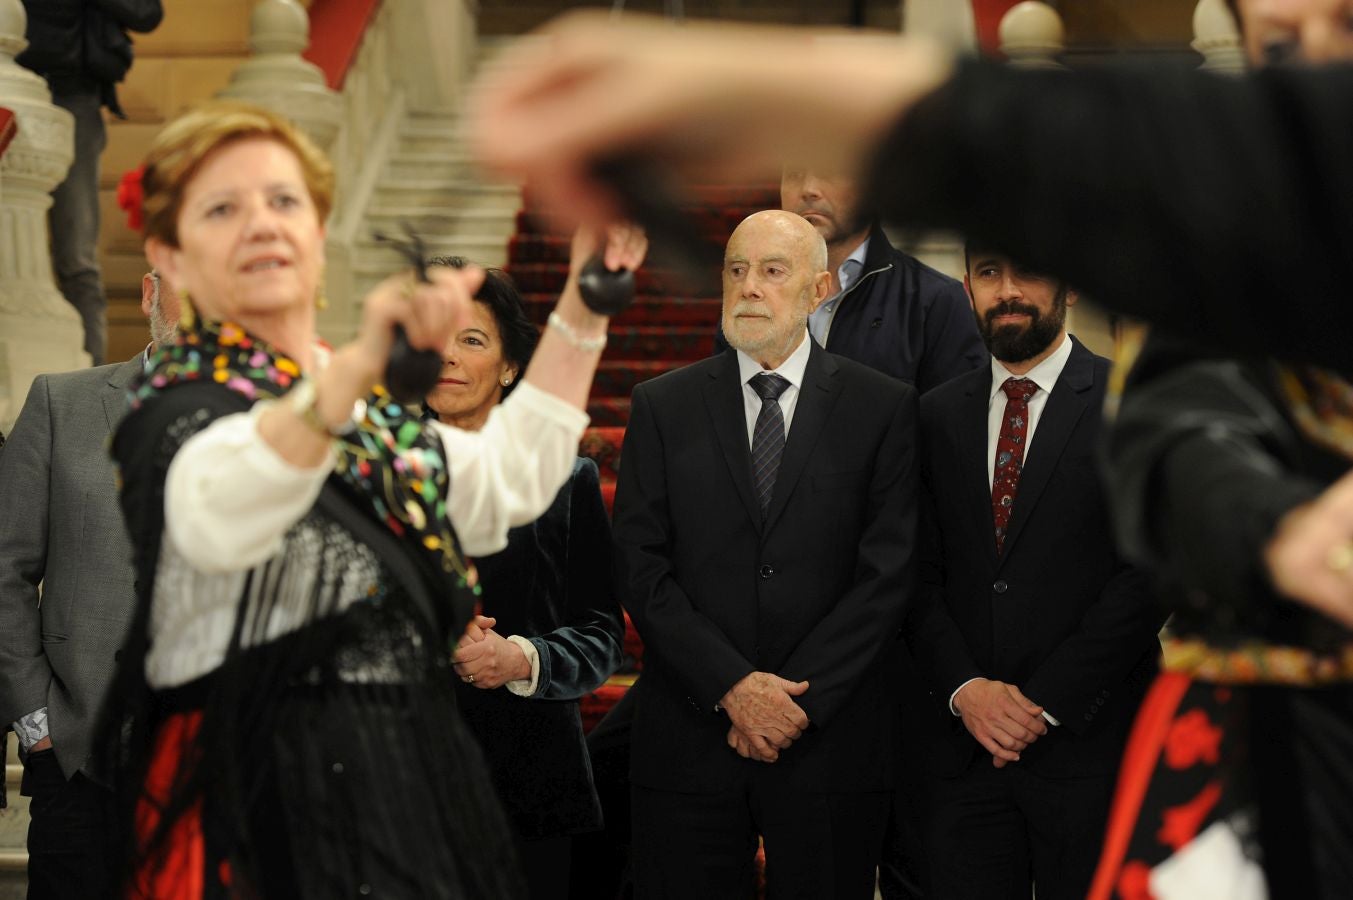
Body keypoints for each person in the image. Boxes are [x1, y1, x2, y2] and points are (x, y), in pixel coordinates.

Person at [97, 99, 641, 899]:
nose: (261, 224)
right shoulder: (179, 401)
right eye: (222, 207)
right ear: (170, 257)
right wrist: (352, 373)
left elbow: (508, 481)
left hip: (403, 789)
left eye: (283, 201)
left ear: (318, 236)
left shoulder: (364, 401)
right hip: (253, 799)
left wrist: (582, 307)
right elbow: (226, 507)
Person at [1086, 2, 1353, 897]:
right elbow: (1172, 438)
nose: (1316, 66)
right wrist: (1280, 531)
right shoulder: (1220, 233)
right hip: (1283, 739)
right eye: (1279, 44)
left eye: (1349, 26)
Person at [611, 209, 917, 899]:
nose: (748, 287)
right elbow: (640, 564)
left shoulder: (882, 407)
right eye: (736, 270)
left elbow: (887, 575)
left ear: (817, 291)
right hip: (690, 740)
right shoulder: (662, 405)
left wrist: (795, 703)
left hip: (829, 740)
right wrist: (732, 687)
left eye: (771, 271)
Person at [906, 245, 1161, 899]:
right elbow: (913, 571)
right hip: (961, 750)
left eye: (1028, 271)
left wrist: (1040, 703)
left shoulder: (1132, 404)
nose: (1008, 290)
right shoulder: (933, 414)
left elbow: (1150, 572)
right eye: (989, 274)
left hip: (1092, 741)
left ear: (1069, 286)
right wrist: (966, 689)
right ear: (966, 289)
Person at [422, 257, 626, 900]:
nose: (446, 356)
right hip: (393, 779)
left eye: (472, 339)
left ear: (510, 365)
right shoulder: (362, 473)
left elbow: (602, 636)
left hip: (530, 783)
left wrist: (522, 657)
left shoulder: (565, 481)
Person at [0, 268, 178, 900]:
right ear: (150, 292)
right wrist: (34, 718)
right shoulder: (60, 402)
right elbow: (7, 568)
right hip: (77, 758)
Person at [18, 0, 163, 365]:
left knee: (78, 261)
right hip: (12, 83)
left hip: (74, 94)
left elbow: (147, 13)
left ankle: (94, 388)